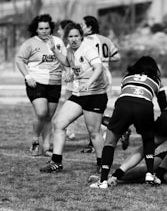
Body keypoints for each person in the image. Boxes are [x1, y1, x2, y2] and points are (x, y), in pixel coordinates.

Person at [89, 56, 167, 188]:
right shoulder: (157, 81)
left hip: (124, 104)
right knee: (148, 139)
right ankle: (149, 174)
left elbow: (128, 95)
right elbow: (164, 107)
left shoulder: (127, 77)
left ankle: (103, 180)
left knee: (110, 142)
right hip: (144, 105)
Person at [39, 22, 108, 173]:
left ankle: (102, 164)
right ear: (67, 38)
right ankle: (56, 162)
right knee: (59, 123)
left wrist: (89, 83)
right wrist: (54, 50)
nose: (74, 39)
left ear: (81, 37)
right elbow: (67, 62)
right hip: (78, 94)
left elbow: (98, 68)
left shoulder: (87, 49)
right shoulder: (70, 50)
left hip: (94, 95)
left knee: (94, 132)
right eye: (70, 36)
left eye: (76, 36)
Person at [15, 14, 66, 157]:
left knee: (49, 116)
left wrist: (67, 71)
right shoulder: (30, 43)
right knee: (41, 113)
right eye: (41, 28)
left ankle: (46, 147)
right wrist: (27, 76)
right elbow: (19, 60)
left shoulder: (58, 42)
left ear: (51, 28)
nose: (44, 31)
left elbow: (65, 59)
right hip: (36, 82)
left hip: (55, 83)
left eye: (47, 28)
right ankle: (35, 140)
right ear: (36, 30)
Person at [80, 15, 121, 153]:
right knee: (97, 108)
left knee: (90, 109)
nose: (80, 28)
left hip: (94, 74)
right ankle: (95, 141)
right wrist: (104, 58)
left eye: (82, 25)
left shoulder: (84, 40)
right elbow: (117, 56)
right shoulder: (105, 39)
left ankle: (95, 142)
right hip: (106, 74)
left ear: (89, 27)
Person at [56, 19, 76, 140]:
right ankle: (69, 130)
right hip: (72, 84)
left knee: (68, 107)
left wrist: (68, 71)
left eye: (60, 28)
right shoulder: (67, 45)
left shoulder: (71, 46)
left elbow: (73, 64)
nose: (58, 31)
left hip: (76, 84)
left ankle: (68, 129)